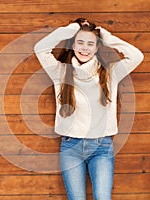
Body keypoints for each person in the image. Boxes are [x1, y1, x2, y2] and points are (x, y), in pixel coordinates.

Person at [34, 18, 144, 200]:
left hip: (101, 147)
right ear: (73, 44)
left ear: (96, 48)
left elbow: (137, 56)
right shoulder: (60, 72)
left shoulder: (110, 73)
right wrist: (71, 29)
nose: (85, 48)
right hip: (71, 147)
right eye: (80, 42)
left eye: (90, 44)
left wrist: (108, 38)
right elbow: (40, 48)